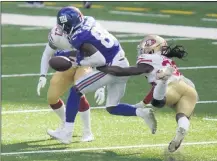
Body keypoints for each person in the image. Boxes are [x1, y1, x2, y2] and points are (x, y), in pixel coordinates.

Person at [48, 6, 157, 144]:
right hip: (121, 61)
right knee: (112, 107)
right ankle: (143, 113)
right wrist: (67, 55)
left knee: (75, 91)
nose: (63, 30)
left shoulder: (78, 37)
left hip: (111, 68)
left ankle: (67, 133)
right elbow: (92, 49)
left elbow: (99, 60)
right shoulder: (88, 20)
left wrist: (76, 62)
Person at [97, 35, 198, 153]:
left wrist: (107, 69)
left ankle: (163, 80)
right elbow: (152, 89)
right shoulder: (165, 58)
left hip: (171, 86)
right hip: (188, 89)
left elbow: (131, 71)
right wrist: (143, 103)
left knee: (157, 102)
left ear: (151, 48)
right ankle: (181, 130)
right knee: (182, 116)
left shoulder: (148, 59)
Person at [37, 24, 106, 142]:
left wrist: (101, 86)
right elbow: (46, 54)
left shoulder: (84, 35)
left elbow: (102, 59)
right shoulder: (56, 35)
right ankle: (65, 125)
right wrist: (42, 76)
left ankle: (87, 132)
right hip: (68, 66)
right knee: (52, 97)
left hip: (85, 65)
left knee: (78, 92)